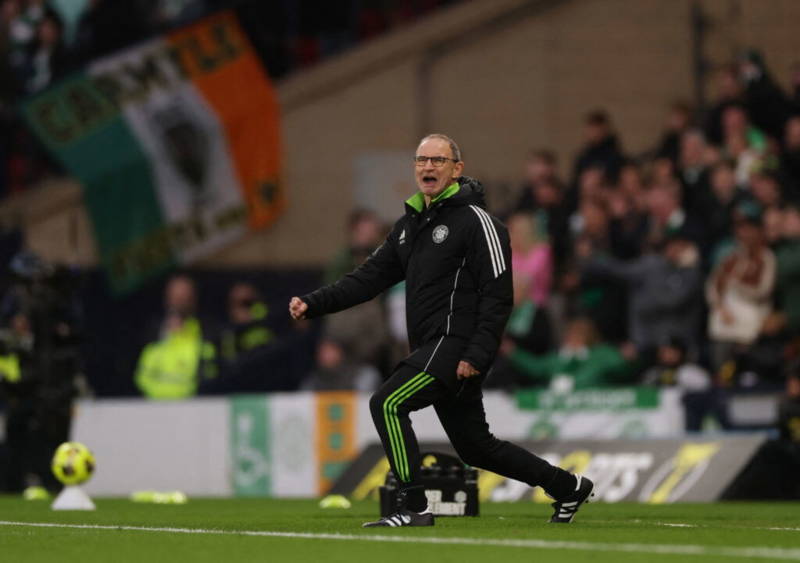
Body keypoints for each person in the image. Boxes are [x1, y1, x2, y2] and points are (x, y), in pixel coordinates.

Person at [289, 134, 593, 528]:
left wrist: (477, 353)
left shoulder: (480, 224)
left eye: (438, 160)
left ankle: (413, 506)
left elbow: (498, 296)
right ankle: (568, 487)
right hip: (434, 349)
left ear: (457, 169)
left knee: (388, 403)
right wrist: (314, 303)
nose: (428, 167)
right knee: (477, 448)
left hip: (456, 346)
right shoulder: (408, 225)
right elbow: (367, 279)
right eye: (421, 160)